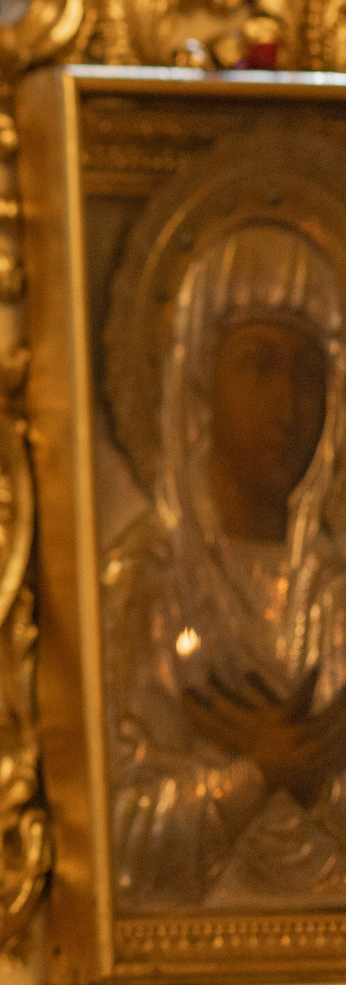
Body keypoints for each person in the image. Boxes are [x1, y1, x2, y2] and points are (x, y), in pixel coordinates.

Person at [107, 220, 346, 907]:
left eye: (310, 374)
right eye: (260, 365)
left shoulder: (332, 595)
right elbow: (112, 827)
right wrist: (260, 773)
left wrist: (303, 772)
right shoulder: (146, 584)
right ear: (201, 381)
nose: (290, 406)